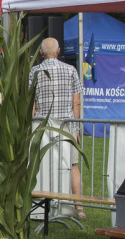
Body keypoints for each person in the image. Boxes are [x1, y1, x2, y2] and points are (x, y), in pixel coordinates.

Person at [30, 37, 85, 218]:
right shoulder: (71, 70)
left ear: (41, 53)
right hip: (66, 125)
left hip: (43, 126)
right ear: (59, 51)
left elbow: (32, 103)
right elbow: (76, 102)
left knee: (42, 165)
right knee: (73, 165)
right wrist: (75, 128)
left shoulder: (35, 71)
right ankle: (79, 207)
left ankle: (40, 207)